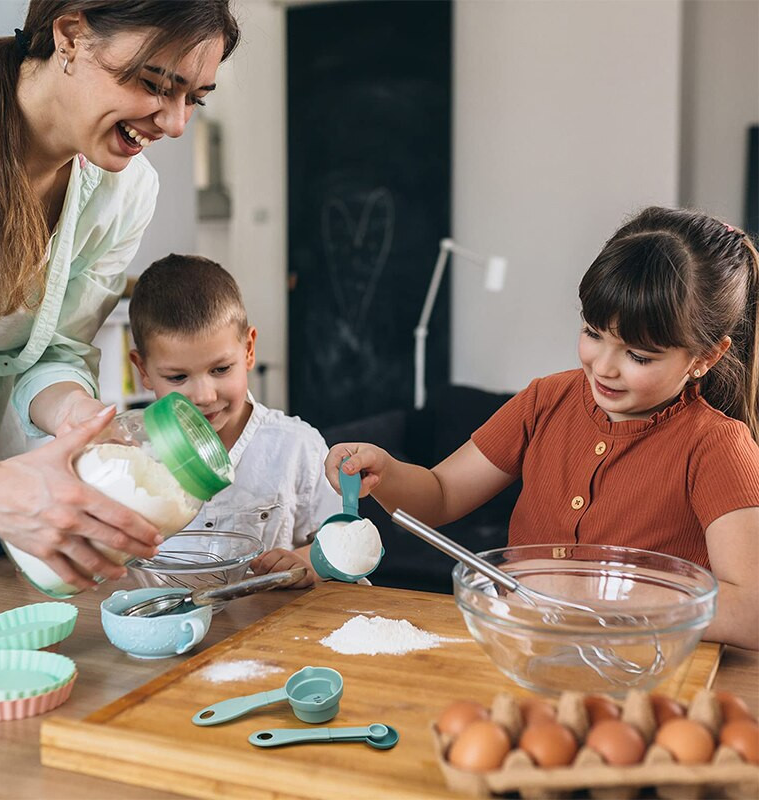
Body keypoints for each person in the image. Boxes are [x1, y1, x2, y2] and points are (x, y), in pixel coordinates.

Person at [325, 207, 759, 649]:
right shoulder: (545, 400)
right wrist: (385, 471)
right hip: (525, 654)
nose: (604, 367)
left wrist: (587, 590)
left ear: (706, 357)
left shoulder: (718, 447)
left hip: (642, 676)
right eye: (593, 333)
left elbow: (751, 614)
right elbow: (440, 494)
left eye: (639, 356)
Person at [0, 1, 240, 591]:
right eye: (156, 84)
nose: (176, 122)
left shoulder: (125, 192)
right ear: (69, 34)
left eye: (197, 97)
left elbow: (55, 353)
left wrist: (75, 416)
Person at [128, 254, 342, 588]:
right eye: (178, 377)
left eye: (221, 370)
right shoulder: (132, 456)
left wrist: (305, 562)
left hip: (268, 628)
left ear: (248, 350)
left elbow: (344, 541)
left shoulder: (297, 446)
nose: (203, 395)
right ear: (143, 371)